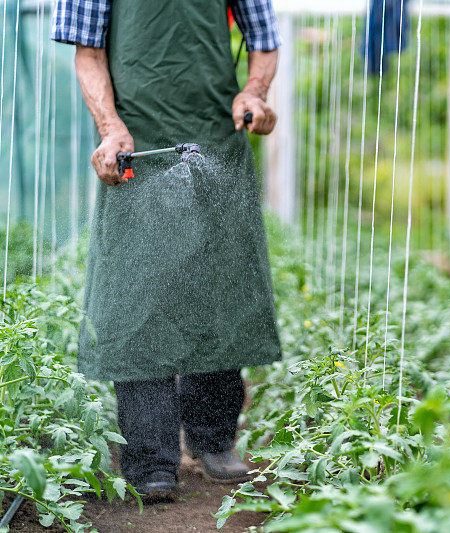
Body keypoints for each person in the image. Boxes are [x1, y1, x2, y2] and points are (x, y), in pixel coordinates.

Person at [51, 0, 283, 503]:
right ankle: (151, 458)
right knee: (141, 295)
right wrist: (110, 127)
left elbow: (263, 37)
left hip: (215, 136)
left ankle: (213, 439)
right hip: (136, 142)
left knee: (219, 287)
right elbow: (87, 53)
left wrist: (255, 93)